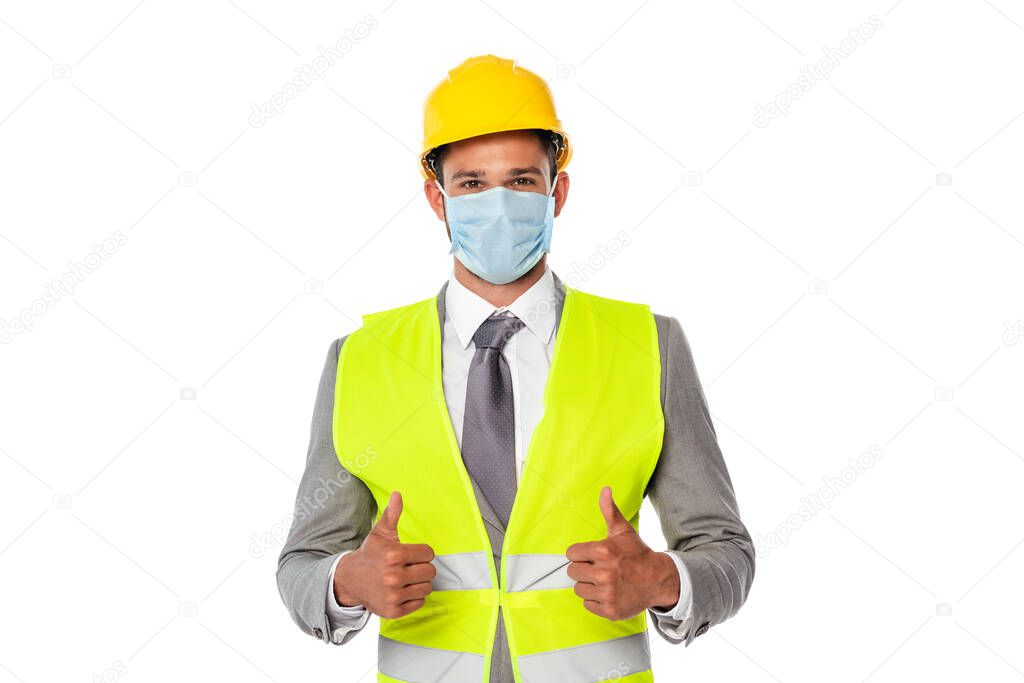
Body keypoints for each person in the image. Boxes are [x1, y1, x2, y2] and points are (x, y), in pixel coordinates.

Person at [276, 54, 754, 683]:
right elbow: (302, 562)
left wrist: (666, 580)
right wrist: (347, 581)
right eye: (472, 183)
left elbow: (725, 550)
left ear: (556, 191)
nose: (497, 204)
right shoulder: (361, 358)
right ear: (436, 197)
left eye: (522, 180)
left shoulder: (650, 345)